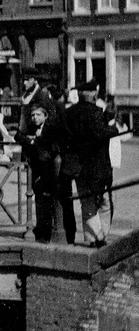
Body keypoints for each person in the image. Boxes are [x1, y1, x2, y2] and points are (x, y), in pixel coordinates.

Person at [63, 78, 126, 248]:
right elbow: (102, 134)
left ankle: (93, 238)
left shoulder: (69, 113)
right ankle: (101, 236)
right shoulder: (95, 113)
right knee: (105, 201)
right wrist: (113, 126)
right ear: (92, 95)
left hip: (78, 166)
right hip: (97, 166)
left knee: (87, 202)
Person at [16, 104, 72, 243]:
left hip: (50, 171)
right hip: (36, 169)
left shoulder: (51, 128)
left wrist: (36, 141)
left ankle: (51, 230)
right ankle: (41, 228)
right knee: (39, 200)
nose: (35, 118)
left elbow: (53, 146)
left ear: (45, 116)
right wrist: (31, 140)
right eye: (33, 115)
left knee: (50, 200)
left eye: (38, 115)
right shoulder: (31, 128)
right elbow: (18, 135)